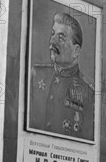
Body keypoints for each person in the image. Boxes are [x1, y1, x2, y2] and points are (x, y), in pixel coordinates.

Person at [30, 12, 95, 141]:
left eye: (61, 38)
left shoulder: (89, 94)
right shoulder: (35, 75)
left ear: (76, 51)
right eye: (53, 34)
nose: (52, 41)